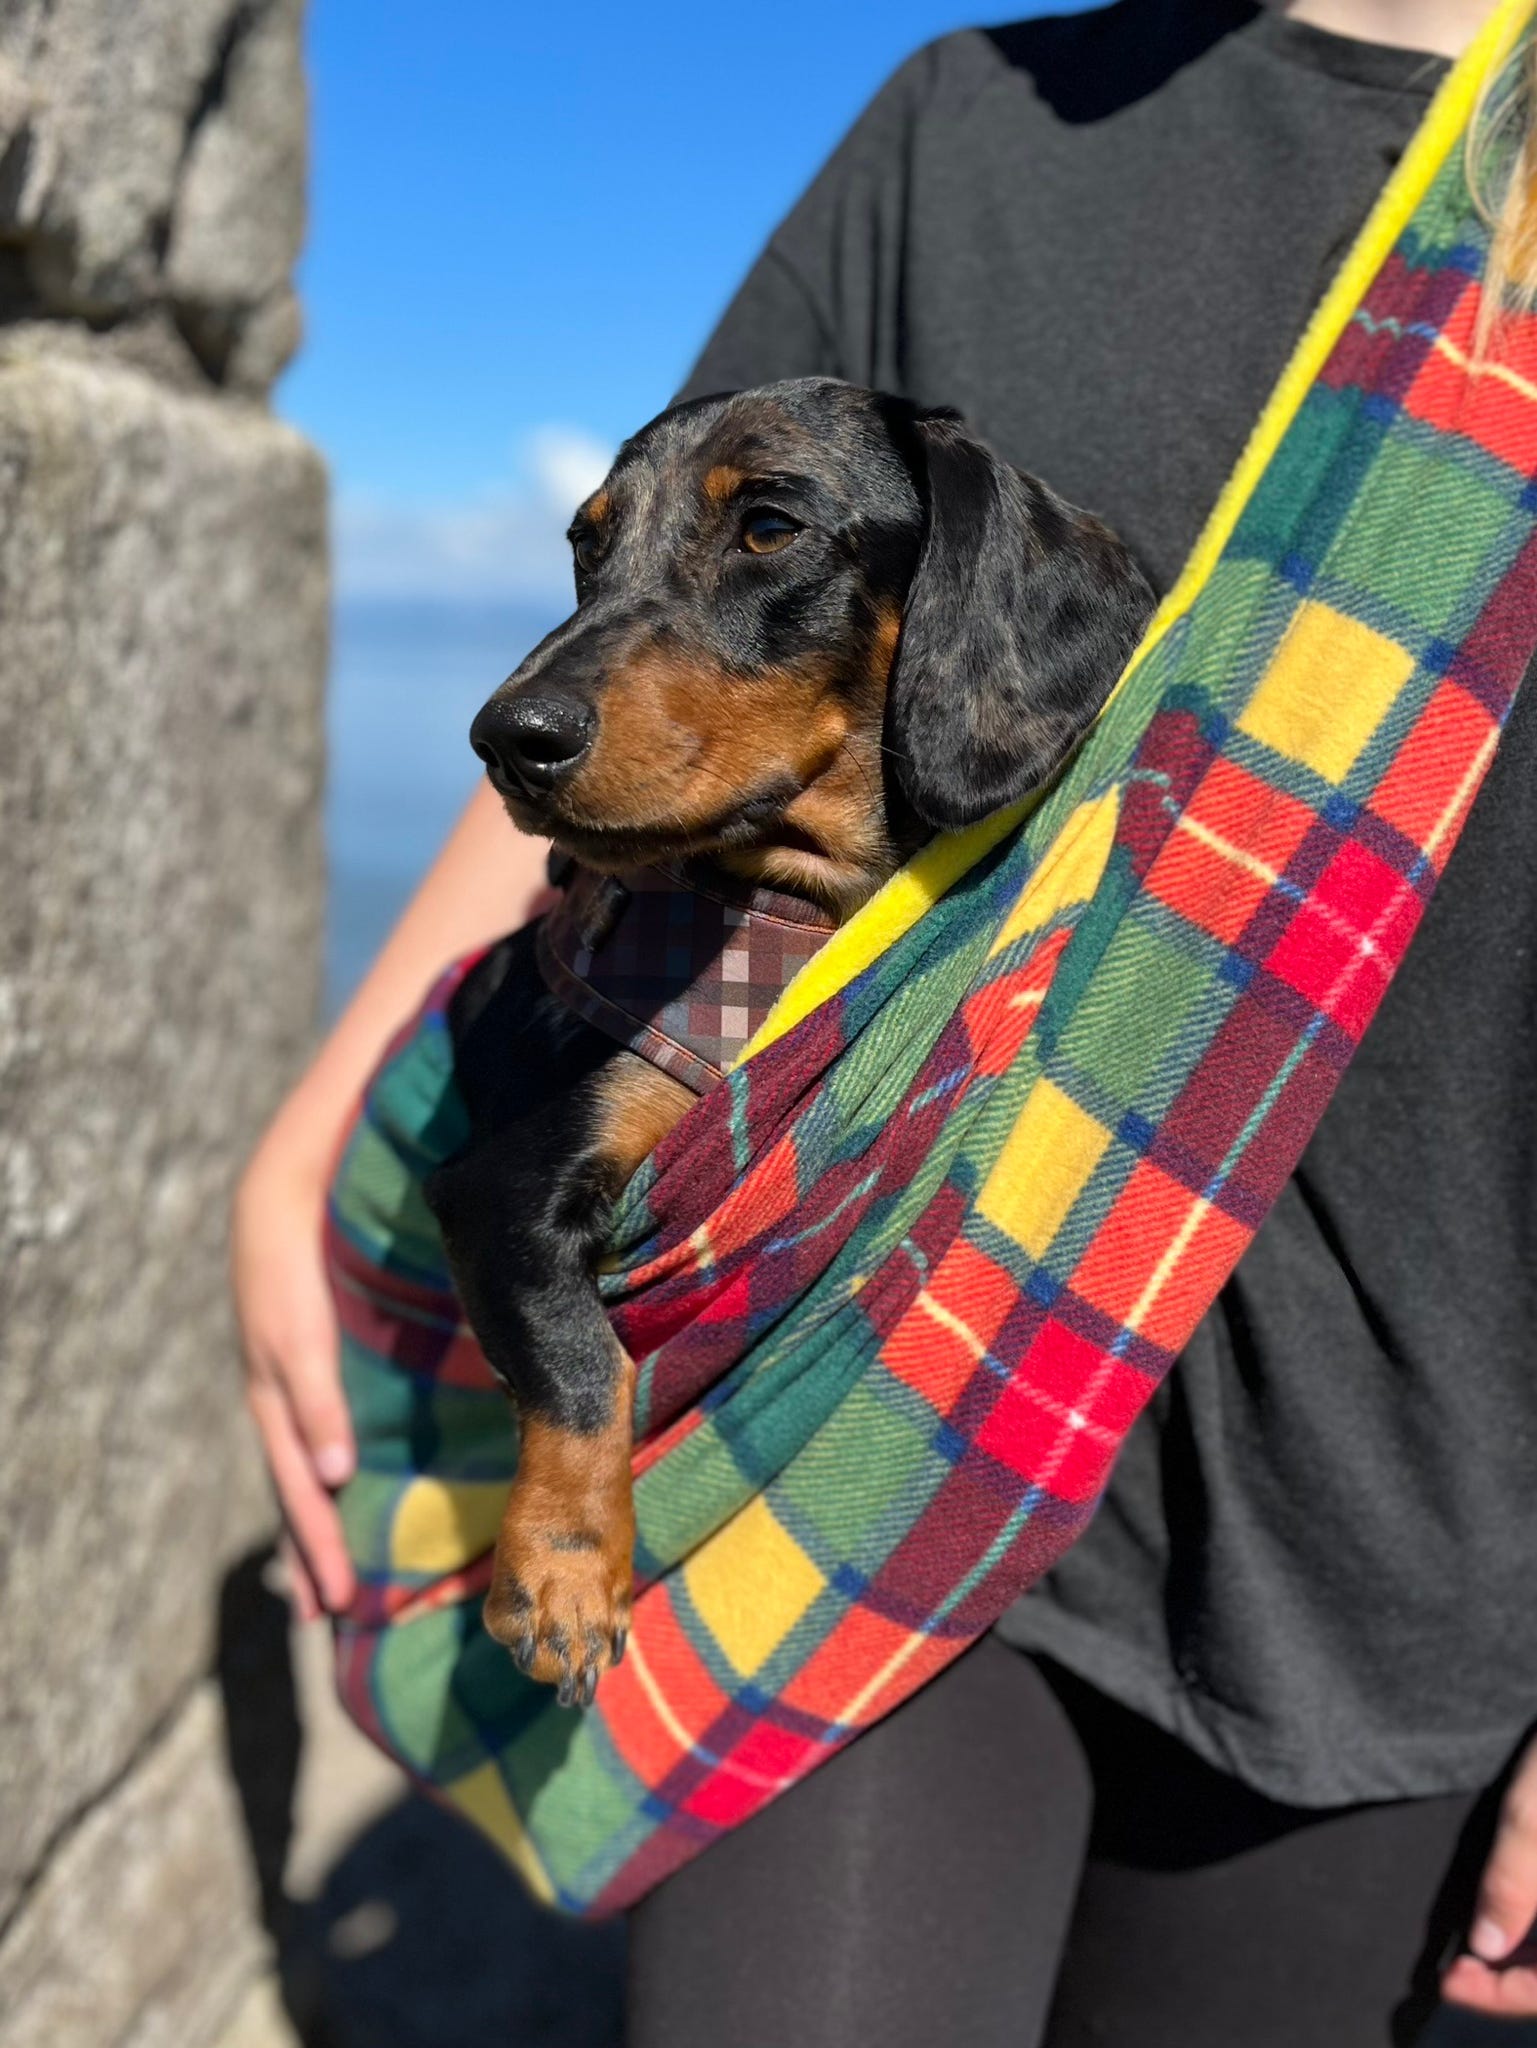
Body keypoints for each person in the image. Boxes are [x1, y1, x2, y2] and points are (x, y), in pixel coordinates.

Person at [232, 1, 1537, 2040]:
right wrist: (329, 1127)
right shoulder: (955, 120)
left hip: (1396, 1511)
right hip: (841, 1397)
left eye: (768, 537)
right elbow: (613, 721)